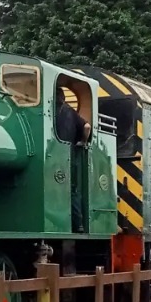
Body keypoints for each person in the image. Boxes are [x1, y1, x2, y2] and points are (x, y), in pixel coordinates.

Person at [55, 86, 91, 233]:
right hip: (70, 155)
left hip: (52, 153)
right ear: (64, 97)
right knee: (73, 190)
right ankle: (78, 224)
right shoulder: (70, 111)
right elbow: (87, 126)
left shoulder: (48, 110)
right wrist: (82, 142)